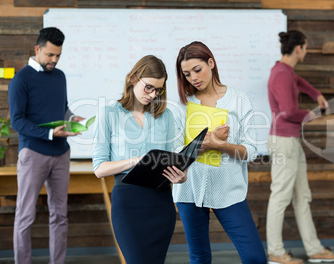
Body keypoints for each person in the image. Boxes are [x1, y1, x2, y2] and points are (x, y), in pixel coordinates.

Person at [171, 41, 267, 264]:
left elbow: (250, 151)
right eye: (186, 74)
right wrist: (209, 141)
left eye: (198, 69)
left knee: (255, 257)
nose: (193, 78)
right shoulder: (182, 105)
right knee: (199, 258)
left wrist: (220, 145)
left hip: (229, 190)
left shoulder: (238, 100)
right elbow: (176, 152)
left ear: (211, 63)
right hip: (189, 191)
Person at [92, 55, 187, 264]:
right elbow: (99, 168)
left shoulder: (166, 116)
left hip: (160, 203)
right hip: (128, 203)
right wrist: (135, 161)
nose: (153, 95)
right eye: (149, 88)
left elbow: (170, 159)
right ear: (134, 79)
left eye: (158, 90)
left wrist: (180, 176)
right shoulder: (108, 114)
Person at [266, 30, 334, 264]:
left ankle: (314, 249)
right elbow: (289, 112)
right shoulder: (280, 74)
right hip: (284, 142)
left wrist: (316, 94)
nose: (307, 51)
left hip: (291, 142)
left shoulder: (286, 71)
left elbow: (299, 82)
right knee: (280, 197)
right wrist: (313, 114)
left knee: (303, 197)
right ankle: (276, 252)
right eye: (306, 47)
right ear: (298, 48)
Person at [8, 27, 84, 264]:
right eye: (50, 55)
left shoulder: (60, 76)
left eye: (58, 55)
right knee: (25, 216)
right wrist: (51, 132)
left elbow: (63, 108)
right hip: (33, 154)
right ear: (37, 49)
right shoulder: (20, 80)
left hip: (61, 154)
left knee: (60, 216)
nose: (54, 60)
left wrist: (72, 119)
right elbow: (17, 121)